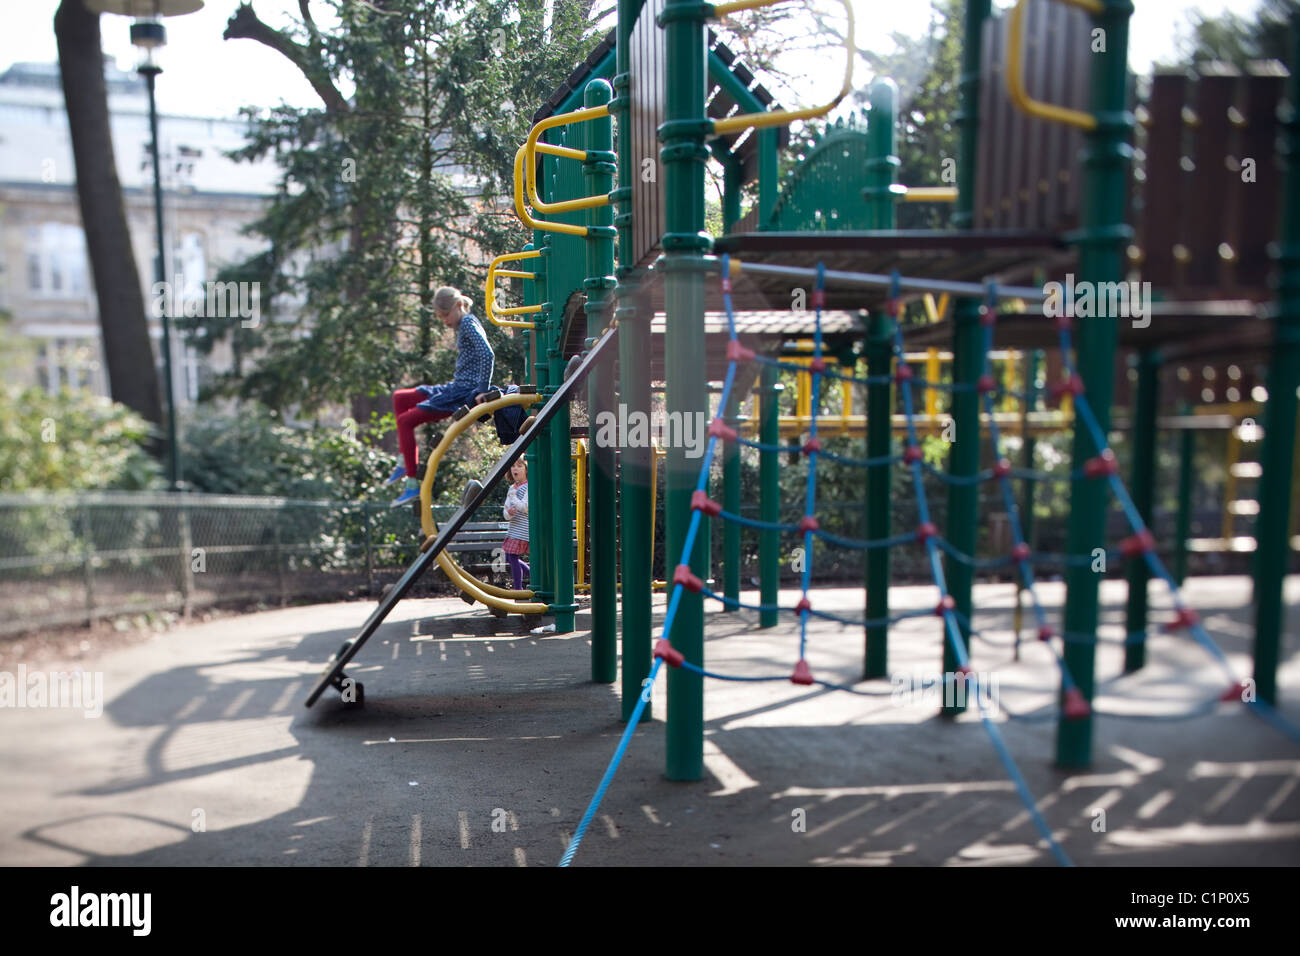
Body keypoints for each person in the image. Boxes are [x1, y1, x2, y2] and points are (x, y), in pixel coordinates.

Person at [386, 286, 495, 505]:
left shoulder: (467, 323)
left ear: (457, 306)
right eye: (439, 317)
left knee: (405, 421)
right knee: (400, 397)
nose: (444, 320)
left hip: (461, 393)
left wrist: (483, 388)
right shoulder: (467, 323)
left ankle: (411, 484)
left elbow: (487, 353)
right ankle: (403, 460)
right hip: (455, 386)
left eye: (445, 315)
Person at [502, 457, 529, 590]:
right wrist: (509, 513)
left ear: (526, 469)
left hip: (524, 529)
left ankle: (518, 589)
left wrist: (513, 497)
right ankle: (530, 575)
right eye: (513, 466)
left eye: (519, 466)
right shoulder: (512, 488)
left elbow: (525, 507)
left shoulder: (528, 486)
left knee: (512, 557)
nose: (515, 469)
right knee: (509, 557)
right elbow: (506, 511)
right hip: (514, 529)